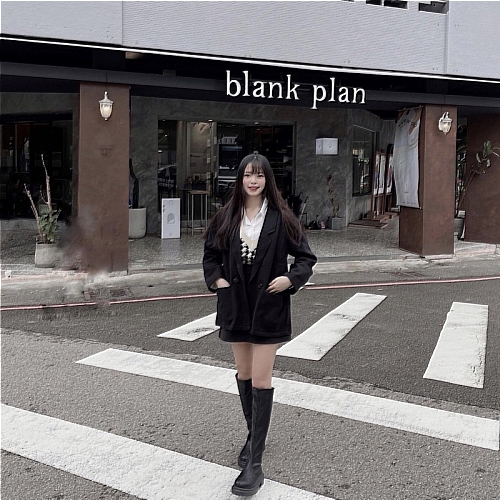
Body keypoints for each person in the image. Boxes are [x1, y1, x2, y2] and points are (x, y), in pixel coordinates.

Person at [203, 153, 317, 496]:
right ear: (240, 180)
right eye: (247, 175)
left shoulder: (282, 218)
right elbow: (210, 255)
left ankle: (254, 463)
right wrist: (218, 282)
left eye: (259, 176)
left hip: (269, 306)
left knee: (262, 379)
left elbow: (306, 258)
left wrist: (290, 279)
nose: (253, 181)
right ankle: (255, 436)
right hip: (237, 305)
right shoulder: (226, 216)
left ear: (268, 180)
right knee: (244, 374)